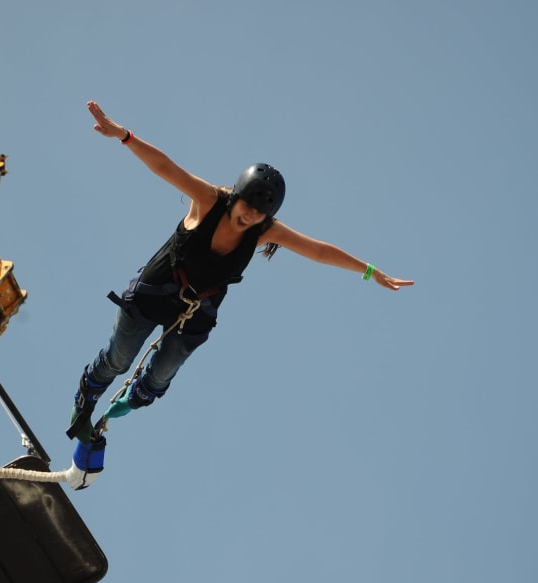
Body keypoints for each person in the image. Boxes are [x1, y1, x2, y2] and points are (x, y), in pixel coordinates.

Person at [67, 100, 414, 441]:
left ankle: (130, 402)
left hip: (197, 311)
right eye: (247, 206)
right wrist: (123, 135)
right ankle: (86, 398)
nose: (249, 217)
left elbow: (319, 250)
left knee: (156, 383)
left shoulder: (266, 230)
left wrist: (368, 270)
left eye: (258, 214)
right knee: (118, 360)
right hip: (156, 291)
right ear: (237, 196)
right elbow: (164, 167)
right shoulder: (209, 200)